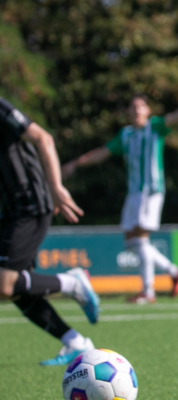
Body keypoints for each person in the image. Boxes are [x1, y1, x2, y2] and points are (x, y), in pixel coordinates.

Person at [62, 93, 178, 304]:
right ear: (128, 112)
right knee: (132, 242)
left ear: (148, 111)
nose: (137, 110)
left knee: (139, 240)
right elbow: (103, 152)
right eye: (133, 106)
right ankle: (173, 272)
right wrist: (76, 163)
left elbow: (174, 117)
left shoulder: (154, 127)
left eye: (141, 106)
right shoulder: (125, 135)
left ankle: (148, 291)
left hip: (150, 191)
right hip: (134, 193)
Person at [0, 97, 100, 366]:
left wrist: (55, 187)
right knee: (17, 290)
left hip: (29, 205)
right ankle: (75, 342)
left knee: (4, 283)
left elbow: (43, 138)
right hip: (8, 211)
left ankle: (72, 283)